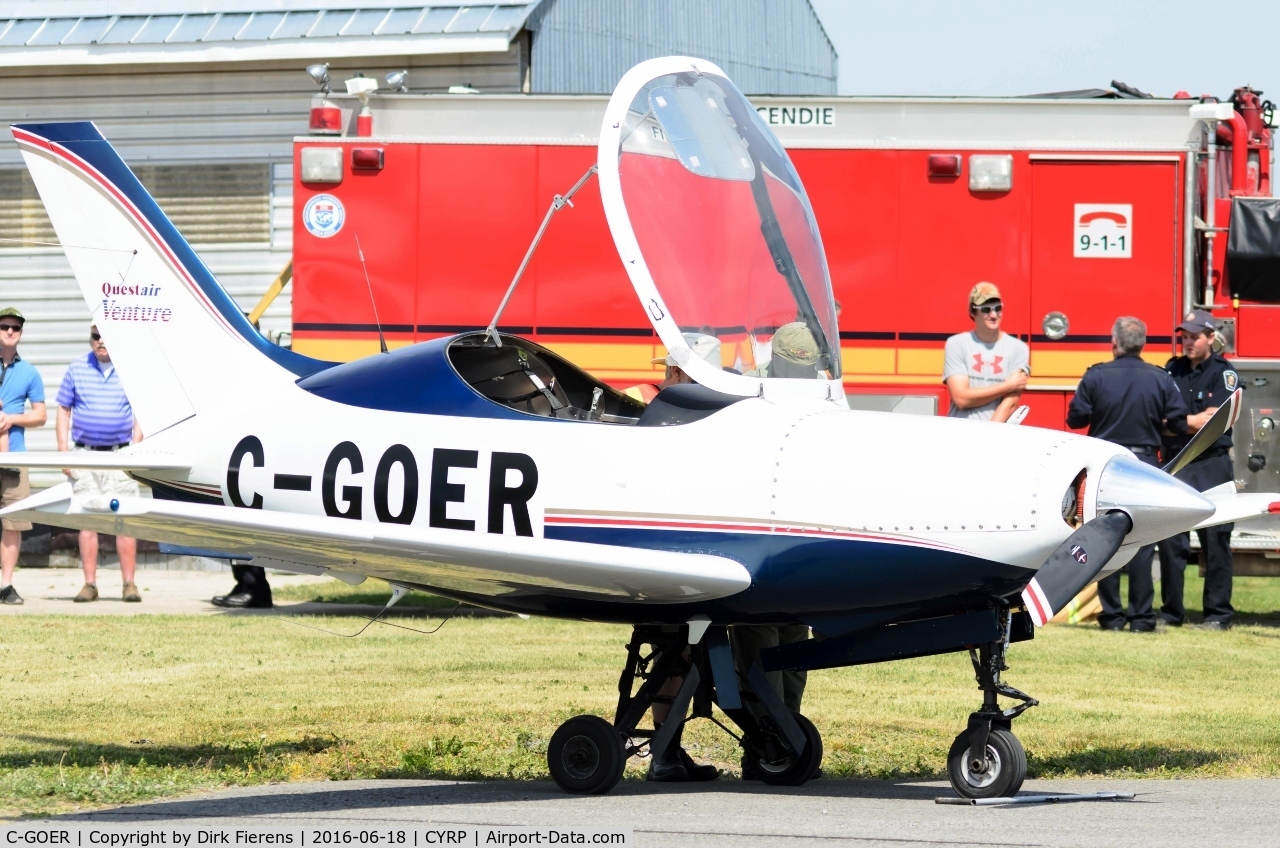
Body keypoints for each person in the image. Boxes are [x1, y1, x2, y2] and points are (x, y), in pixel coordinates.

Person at [1067, 317, 1189, 632]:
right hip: (1144, 462)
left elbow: (1076, 419)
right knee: (1142, 543)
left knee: (1103, 538)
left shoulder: (1096, 376)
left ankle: (1111, 617)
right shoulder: (1160, 378)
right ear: (1143, 344)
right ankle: (1141, 617)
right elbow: (1177, 423)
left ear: (1114, 342)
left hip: (1105, 463)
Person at [1157, 310, 1239, 630]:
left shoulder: (1224, 373)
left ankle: (1218, 614)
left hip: (1212, 463)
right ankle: (1171, 613)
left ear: (1210, 337)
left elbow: (1215, 423)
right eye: (1185, 336)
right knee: (1171, 541)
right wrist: (1189, 422)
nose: (1188, 342)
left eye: (1194, 336)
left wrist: (1178, 423)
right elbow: (1160, 418)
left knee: (1216, 539)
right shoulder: (1171, 370)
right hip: (1177, 462)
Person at [56, 324, 143, 603]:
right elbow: (63, 409)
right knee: (87, 521)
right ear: (90, 339)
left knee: (125, 521)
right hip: (85, 454)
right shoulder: (76, 368)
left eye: (105, 334)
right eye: (96, 336)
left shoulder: (129, 368)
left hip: (121, 456)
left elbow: (140, 410)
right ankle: (90, 584)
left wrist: (137, 448)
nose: (101, 341)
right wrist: (62, 452)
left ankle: (129, 584)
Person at [0, 307, 47, 606]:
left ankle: (6, 585)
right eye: (4, 327)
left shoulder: (29, 372)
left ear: (21, 333)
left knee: (13, 523)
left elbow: (41, 415)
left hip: (14, 458)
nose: (9, 332)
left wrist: (12, 419)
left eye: (15, 328)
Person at [943, 282, 1030, 422]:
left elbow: (1009, 404)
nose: (994, 314)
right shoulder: (956, 344)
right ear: (972, 312)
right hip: (958, 432)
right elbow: (961, 399)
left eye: (998, 308)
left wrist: (988, 435)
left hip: (993, 434)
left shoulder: (1018, 349)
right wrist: (1008, 386)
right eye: (986, 309)